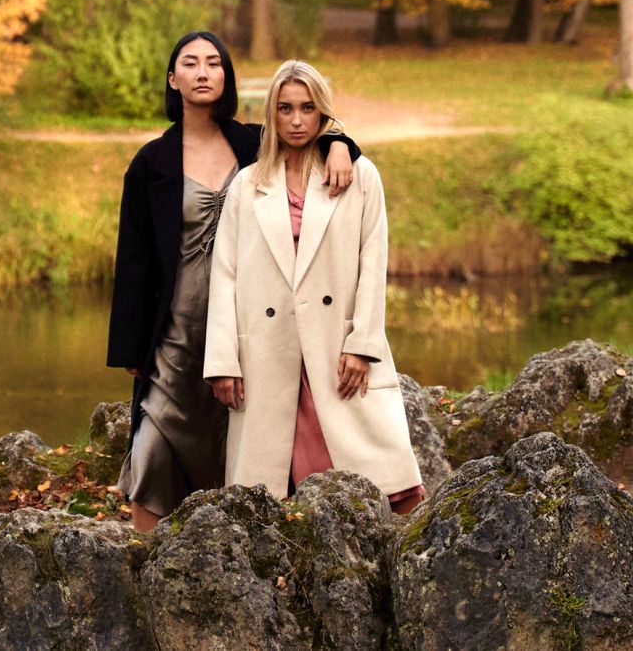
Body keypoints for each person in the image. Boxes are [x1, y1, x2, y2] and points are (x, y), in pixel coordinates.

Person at [107, 32, 361, 531]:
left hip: (250, 324)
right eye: (190, 63)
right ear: (173, 79)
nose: (203, 72)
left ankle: (230, 550)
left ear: (226, 76)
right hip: (175, 331)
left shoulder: (252, 144)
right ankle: (145, 558)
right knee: (154, 443)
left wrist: (340, 145)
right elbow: (134, 260)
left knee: (239, 441)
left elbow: (305, 131)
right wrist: (131, 347)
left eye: (213, 63)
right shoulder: (151, 163)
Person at [204, 59, 423, 512]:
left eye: (307, 108)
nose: (297, 120)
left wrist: (362, 344)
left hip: (335, 346)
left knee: (370, 486)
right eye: (285, 109)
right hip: (268, 349)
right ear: (272, 114)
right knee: (270, 498)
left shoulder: (359, 175)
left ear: (323, 111)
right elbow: (224, 274)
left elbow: (373, 263)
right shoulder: (247, 185)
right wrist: (223, 359)